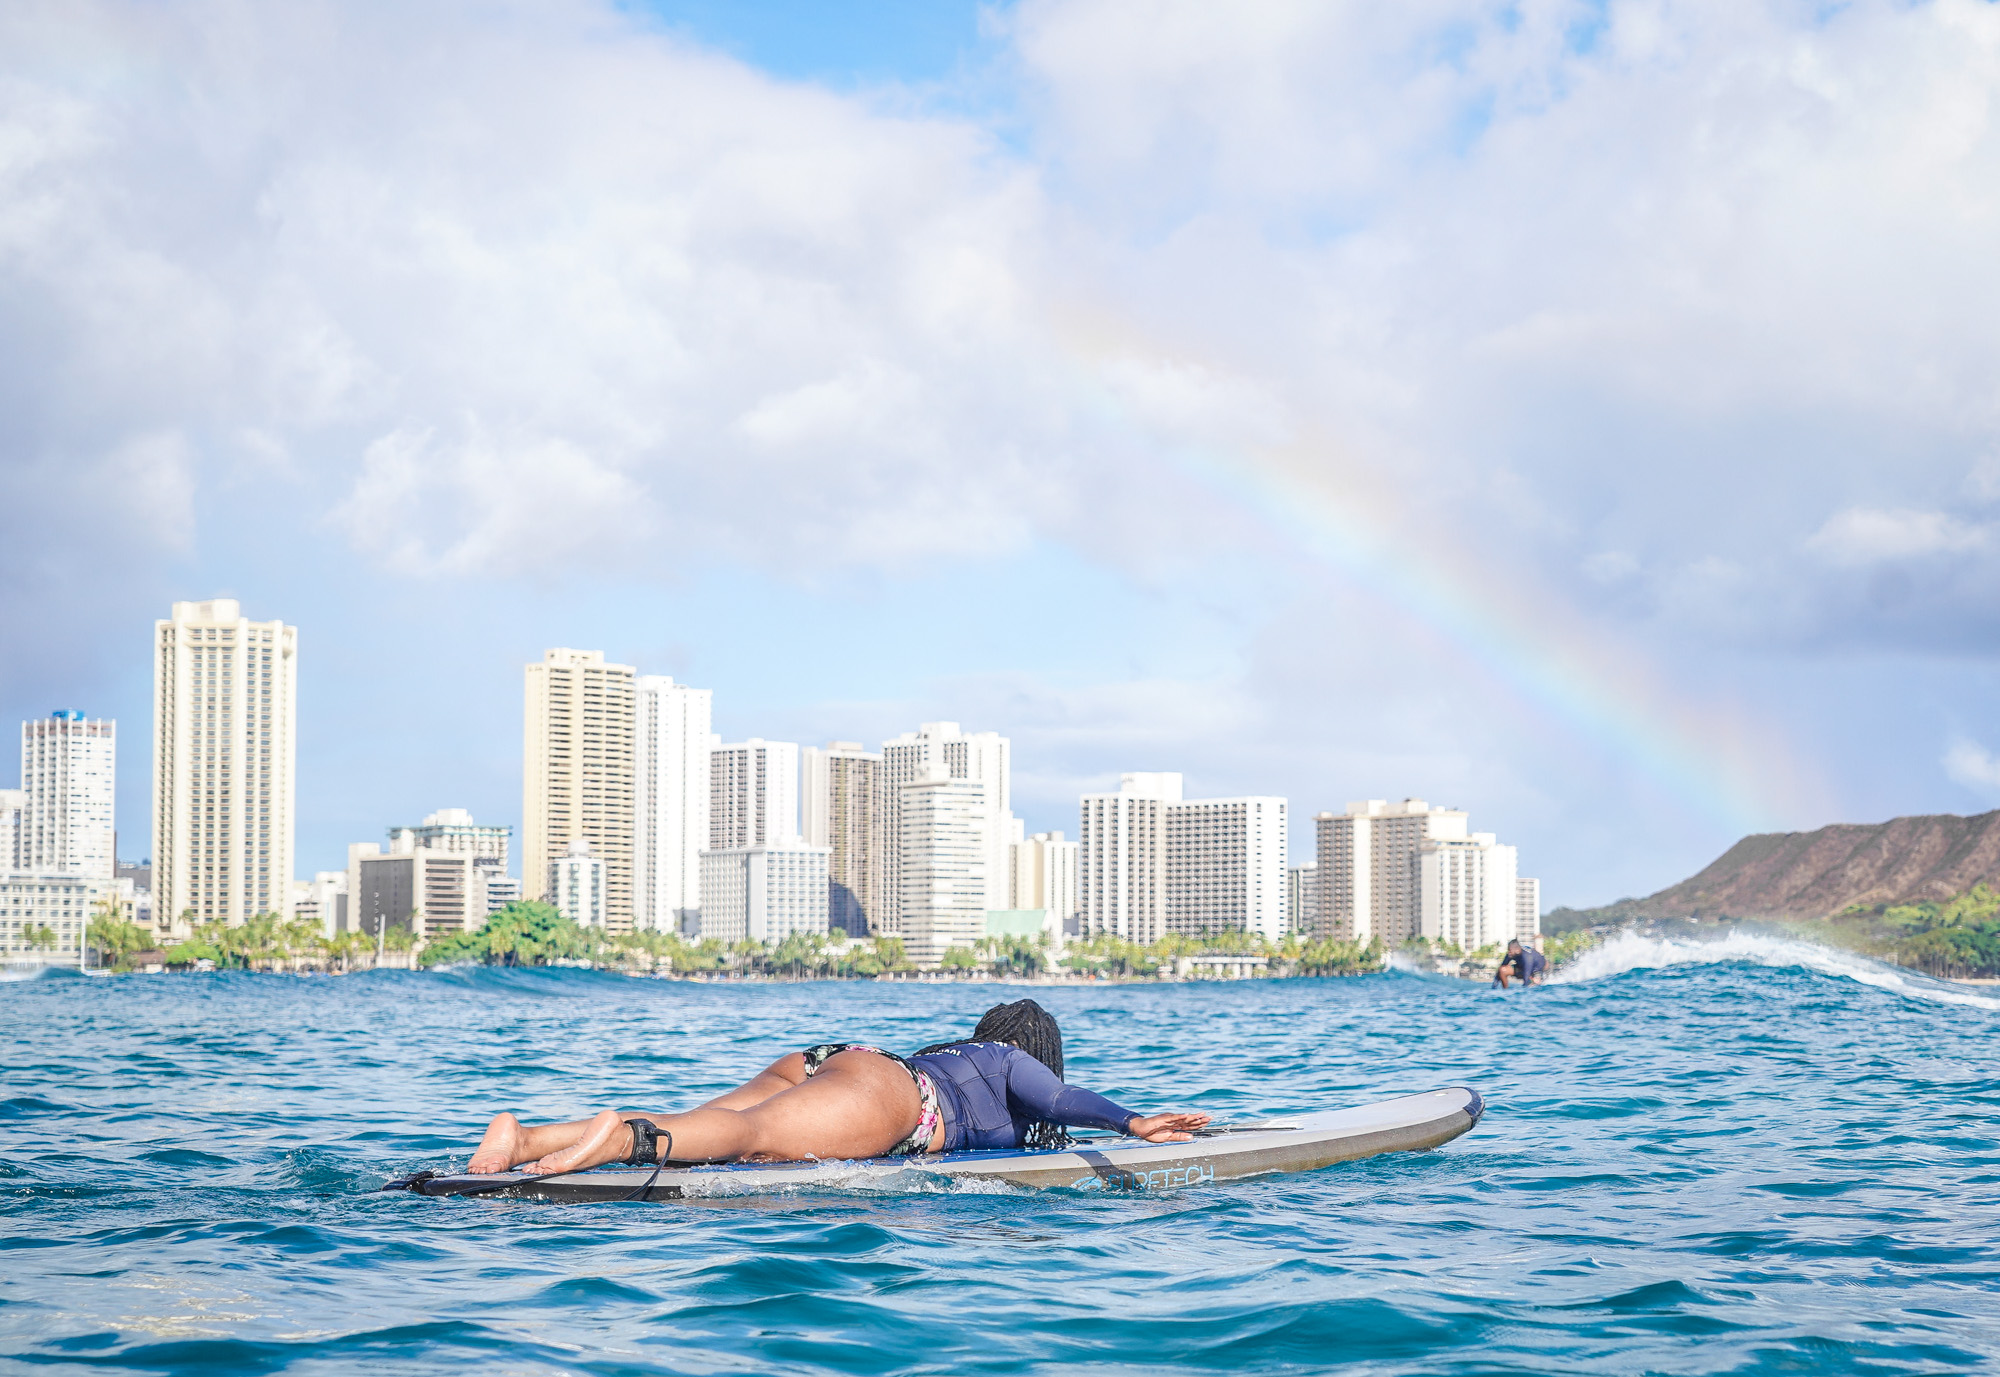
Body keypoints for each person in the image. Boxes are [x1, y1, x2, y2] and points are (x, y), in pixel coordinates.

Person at [466, 998, 1211, 1176]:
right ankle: (624, 1139)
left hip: (841, 1056)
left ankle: (525, 1137)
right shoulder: (1014, 1065)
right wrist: (1132, 1121)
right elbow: (1054, 1103)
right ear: (1036, 1050)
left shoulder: (960, 1051)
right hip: (891, 1097)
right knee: (750, 1137)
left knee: (718, 1118)